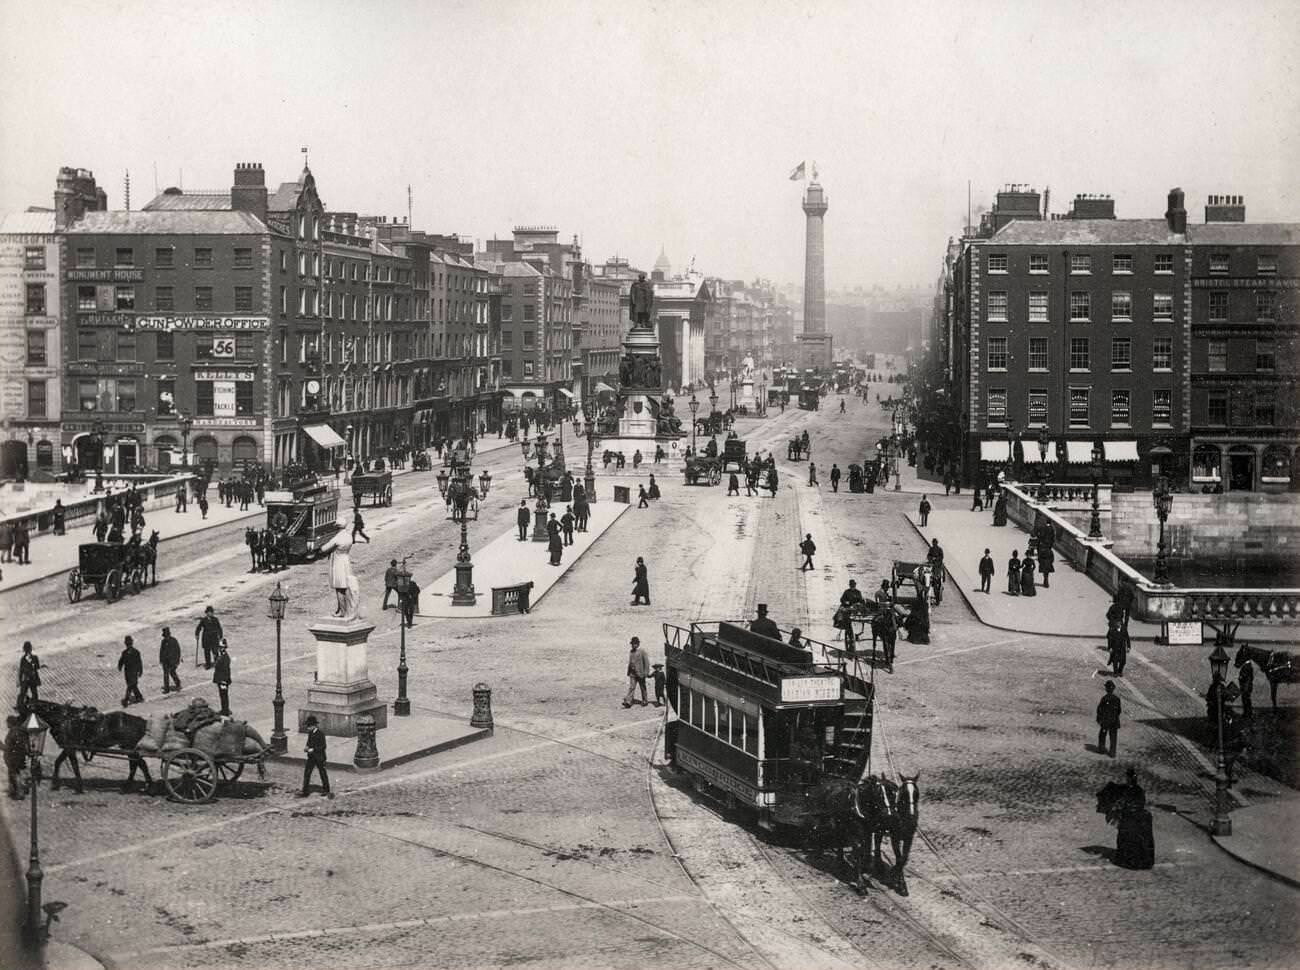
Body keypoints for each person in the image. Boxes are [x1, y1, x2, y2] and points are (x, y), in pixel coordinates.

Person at [299, 715, 332, 798]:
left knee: (322, 773)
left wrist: (313, 749)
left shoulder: (320, 734)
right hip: (311, 757)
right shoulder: (310, 733)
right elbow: (309, 742)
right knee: (307, 773)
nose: (308, 728)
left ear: (314, 726)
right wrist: (307, 747)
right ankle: (305, 791)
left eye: (309, 726)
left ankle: (326, 789)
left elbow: (323, 746)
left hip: (319, 757)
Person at [622, 637, 650, 708]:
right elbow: (630, 662)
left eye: (634, 644)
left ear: (638, 644)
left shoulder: (642, 651)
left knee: (643, 687)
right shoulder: (631, 652)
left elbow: (646, 662)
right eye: (632, 644)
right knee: (632, 687)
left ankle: (645, 700)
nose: (633, 645)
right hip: (632, 673)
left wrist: (646, 672)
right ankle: (628, 702)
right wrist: (629, 671)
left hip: (641, 673)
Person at [118, 635, 144, 707]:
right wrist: (120, 666)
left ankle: (126, 699)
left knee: (131, 685)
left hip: (134, 671)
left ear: (131, 643)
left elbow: (139, 662)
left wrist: (140, 671)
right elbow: (121, 660)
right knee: (133, 685)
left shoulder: (136, 652)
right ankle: (139, 696)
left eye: (129, 643)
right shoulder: (124, 652)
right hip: (127, 672)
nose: (128, 645)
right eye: (127, 644)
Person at [1096, 680, 1121, 757]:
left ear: (1106, 689)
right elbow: (1119, 711)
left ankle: (1101, 749)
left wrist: (1099, 719)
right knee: (1113, 737)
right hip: (1114, 720)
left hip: (1105, 720)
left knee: (1102, 735)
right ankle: (1112, 752)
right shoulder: (1117, 699)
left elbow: (1099, 710)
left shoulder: (1104, 698)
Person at [5, 714, 27, 800]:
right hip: (17, 756)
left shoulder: (13, 732)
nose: (6, 724)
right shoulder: (18, 731)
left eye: (7, 722)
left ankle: (20, 792)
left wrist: (1, 746)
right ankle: (13, 791)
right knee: (13, 773)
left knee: (15, 774)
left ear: (10, 723)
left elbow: (10, 747)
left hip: (13, 757)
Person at [18, 641, 41, 706]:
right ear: (31, 648)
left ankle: (22, 706)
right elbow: (37, 667)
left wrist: (20, 680)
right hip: (32, 678)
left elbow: (21, 671)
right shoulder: (34, 657)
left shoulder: (23, 659)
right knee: (34, 693)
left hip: (26, 678)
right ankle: (34, 705)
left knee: (23, 694)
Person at [159, 626, 182, 693]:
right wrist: (161, 659)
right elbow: (161, 651)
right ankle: (167, 689)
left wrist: (177, 660)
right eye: (165, 636)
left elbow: (178, 651)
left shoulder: (174, 641)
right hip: (165, 661)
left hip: (172, 661)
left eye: (167, 636)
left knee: (172, 672)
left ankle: (177, 682)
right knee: (166, 674)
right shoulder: (163, 641)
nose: (166, 637)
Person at [213, 640, 232, 716]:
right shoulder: (220, 655)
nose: (220, 648)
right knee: (222, 695)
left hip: (223, 680)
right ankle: (224, 709)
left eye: (221, 647)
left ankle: (225, 711)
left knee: (224, 696)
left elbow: (226, 670)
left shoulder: (225, 657)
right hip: (220, 679)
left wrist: (224, 681)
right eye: (219, 647)